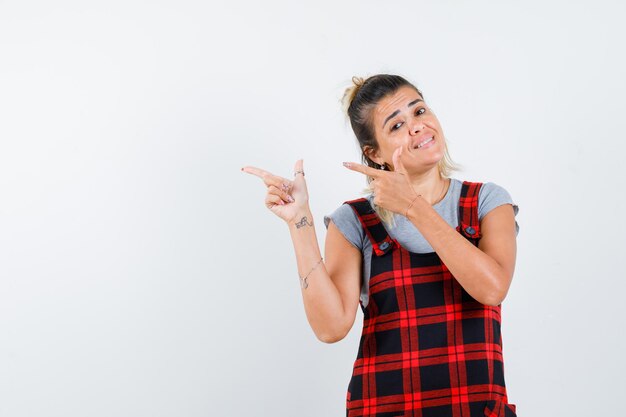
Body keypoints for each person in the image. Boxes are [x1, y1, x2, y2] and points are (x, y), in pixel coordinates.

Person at [242, 74, 519, 417]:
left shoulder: (486, 202)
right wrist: (301, 222)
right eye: (397, 125)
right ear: (374, 153)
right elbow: (330, 328)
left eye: (419, 111)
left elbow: (492, 289)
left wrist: (414, 206)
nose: (417, 126)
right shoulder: (354, 221)